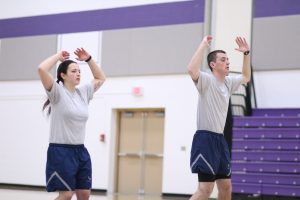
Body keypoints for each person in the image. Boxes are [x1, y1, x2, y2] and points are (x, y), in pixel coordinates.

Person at [187, 35, 251, 200]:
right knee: (205, 190)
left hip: (220, 140)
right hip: (205, 139)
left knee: (226, 186)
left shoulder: (228, 83)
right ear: (213, 65)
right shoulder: (206, 80)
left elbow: (246, 77)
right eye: (223, 59)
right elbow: (191, 70)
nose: (227, 62)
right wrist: (203, 45)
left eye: (228, 59)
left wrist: (246, 54)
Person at [38, 48, 106, 200]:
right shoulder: (57, 93)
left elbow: (101, 77)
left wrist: (89, 59)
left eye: (79, 71)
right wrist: (57, 56)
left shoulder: (83, 92)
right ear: (63, 75)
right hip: (61, 151)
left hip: (80, 151)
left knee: (84, 194)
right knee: (67, 195)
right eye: (74, 71)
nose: (78, 74)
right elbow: (41, 69)